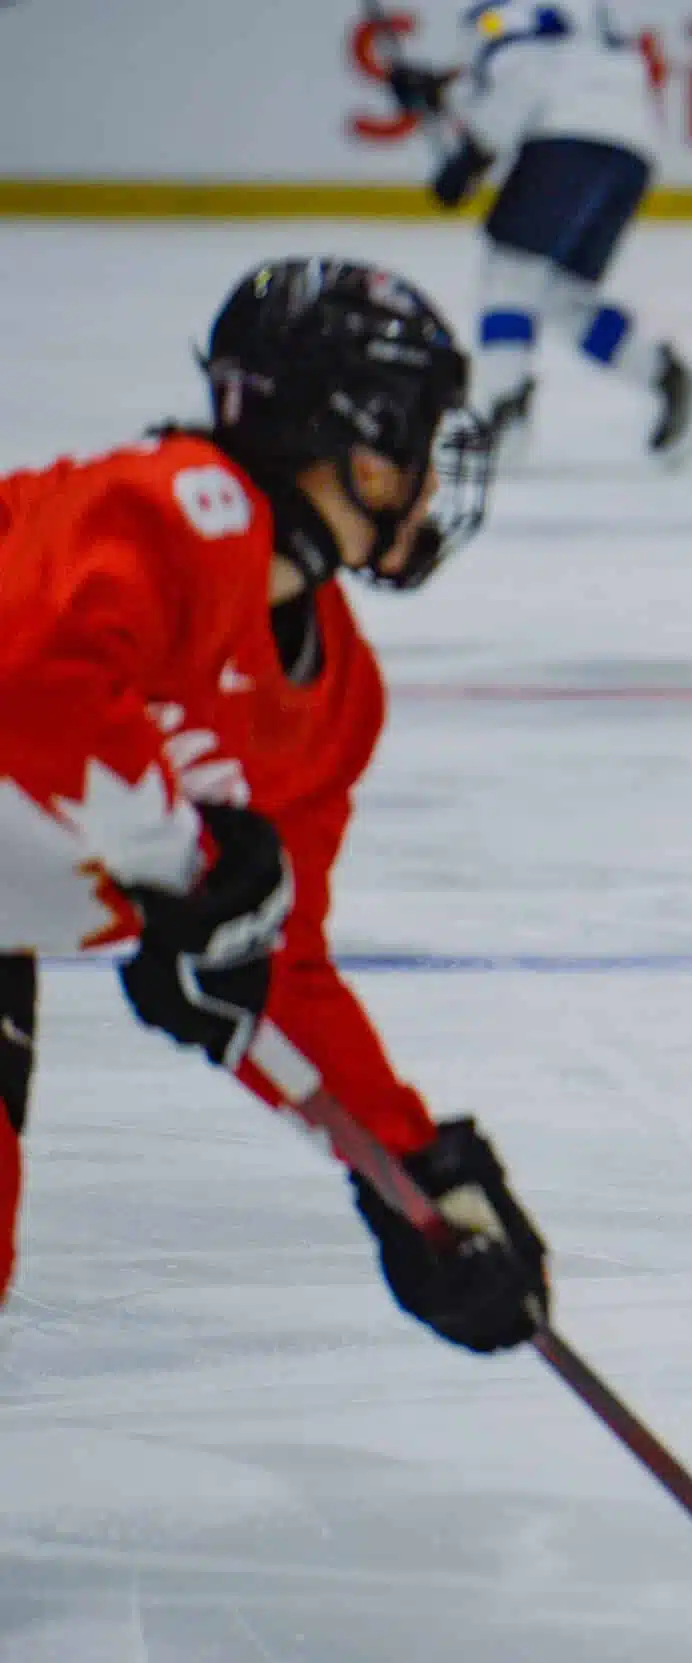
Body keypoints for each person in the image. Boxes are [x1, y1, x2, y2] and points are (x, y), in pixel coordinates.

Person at [0, 257, 547, 1355]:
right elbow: (34, 687)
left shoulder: (337, 694)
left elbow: (272, 961)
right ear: (360, 441)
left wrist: (413, 1170)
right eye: (419, 438)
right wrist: (185, 860)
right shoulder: (172, 506)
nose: (431, 480)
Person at [384, 0, 692, 464]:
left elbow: (522, 74)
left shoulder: (502, 10)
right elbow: (557, 60)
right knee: (564, 297)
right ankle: (670, 381)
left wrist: (472, 156)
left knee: (510, 275)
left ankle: (504, 416)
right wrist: (442, 94)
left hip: (567, 137)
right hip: (631, 143)